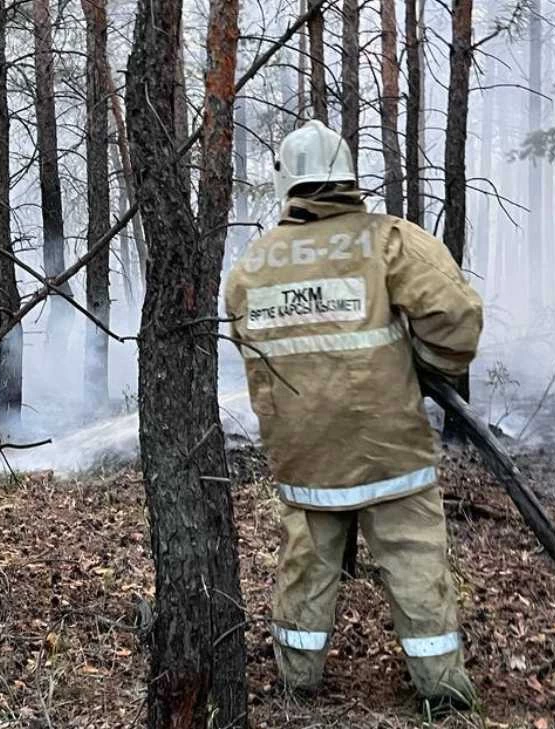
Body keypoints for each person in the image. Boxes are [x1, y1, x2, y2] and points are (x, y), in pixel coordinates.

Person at [224, 120, 483, 715]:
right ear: (347, 176)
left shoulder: (254, 265)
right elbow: (456, 319)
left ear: (288, 183)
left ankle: (296, 682)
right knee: (415, 558)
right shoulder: (389, 240)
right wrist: (424, 364)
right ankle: (441, 692)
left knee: (306, 564)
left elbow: (252, 347)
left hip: (305, 450)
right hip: (389, 445)